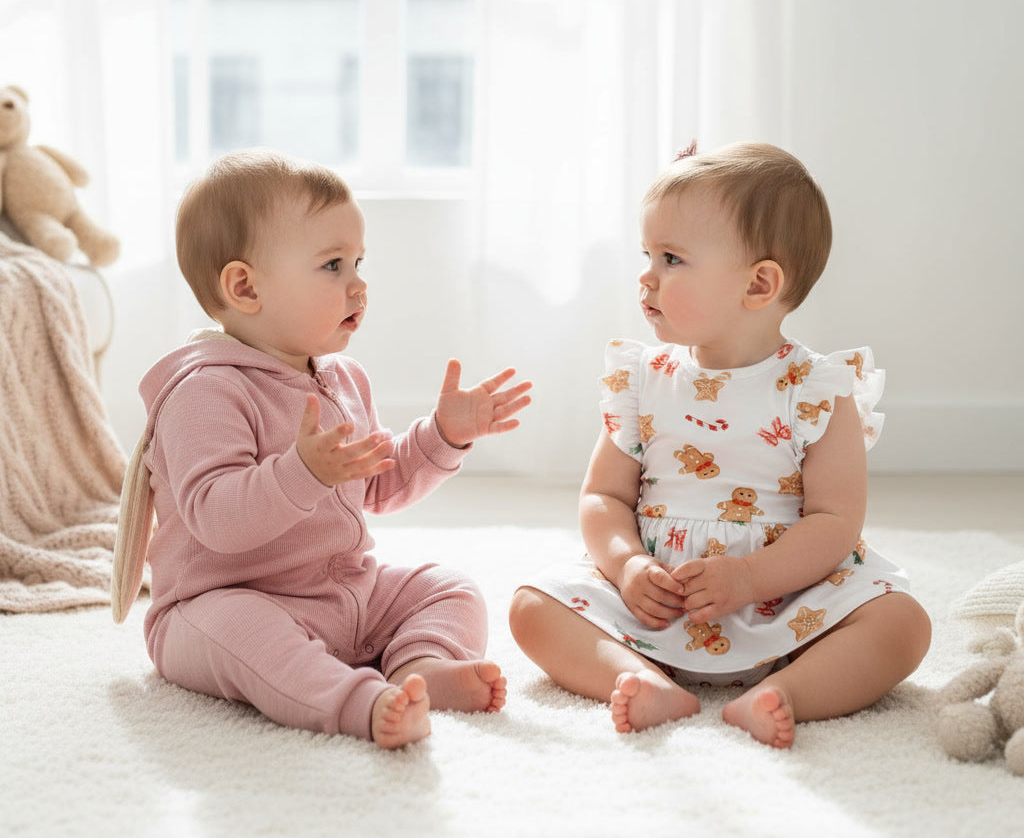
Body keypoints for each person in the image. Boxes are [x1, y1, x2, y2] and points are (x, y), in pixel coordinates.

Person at [508, 141, 930, 749]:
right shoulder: (641, 379)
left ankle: (786, 692)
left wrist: (752, 577)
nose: (646, 275)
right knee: (531, 607)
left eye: (672, 258)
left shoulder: (816, 390)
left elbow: (836, 520)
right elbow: (603, 495)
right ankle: (638, 676)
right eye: (648, 254)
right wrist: (627, 566)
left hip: (789, 605)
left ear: (759, 283)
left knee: (902, 622)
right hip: (660, 605)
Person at [122, 149, 531, 748]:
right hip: (223, 602)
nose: (359, 285)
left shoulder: (341, 377)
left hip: (343, 593)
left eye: (359, 262)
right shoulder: (202, 391)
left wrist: (443, 434)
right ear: (245, 286)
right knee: (248, 635)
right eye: (333, 265)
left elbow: (378, 483)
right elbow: (216, 518)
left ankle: (419, 666)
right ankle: (357, 703)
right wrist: (301, 473)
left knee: (450, 586)